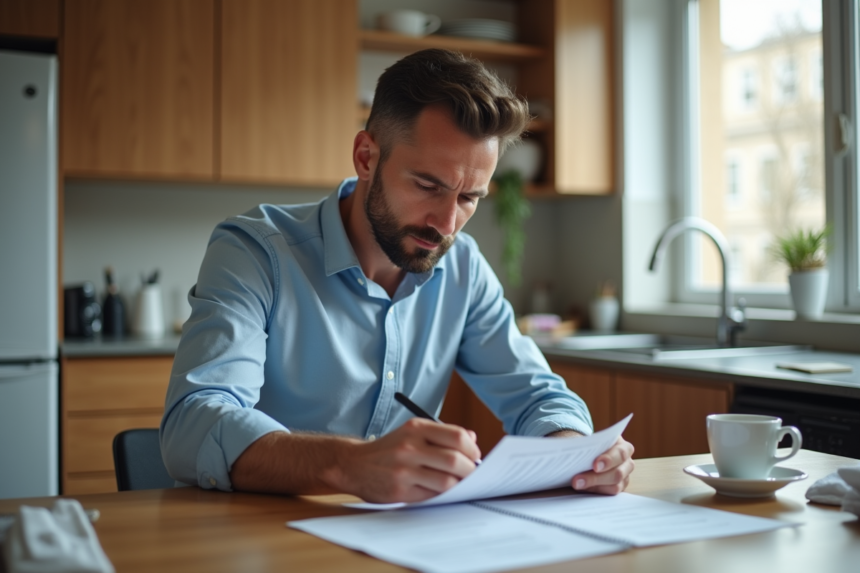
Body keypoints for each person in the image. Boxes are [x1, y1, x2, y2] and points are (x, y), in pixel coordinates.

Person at [161, 49, 634, 503]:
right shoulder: (255, 252)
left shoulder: (463, 267)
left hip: (399, 541)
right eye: (428, 186)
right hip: (259, 537)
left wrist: (576, 452)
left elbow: (536, 395)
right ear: (366, 157)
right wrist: (348, 464)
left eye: (470, 198)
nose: (447, 224)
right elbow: (194, 423)